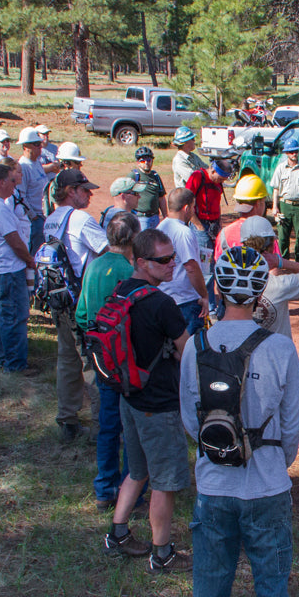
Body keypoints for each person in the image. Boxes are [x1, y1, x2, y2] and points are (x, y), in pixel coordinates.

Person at [179, 245, 299, 597]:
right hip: (266, 487)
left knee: (210, 578)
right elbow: (293, 423)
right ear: (262, 293)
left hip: (214, 485)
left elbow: (187, 419)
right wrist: (279, 462)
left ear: (217, 288)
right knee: (272, 584)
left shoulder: (195, 346)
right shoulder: (279, 347)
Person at [101, 228, 194, 574]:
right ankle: (162, 552)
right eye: (164, 260)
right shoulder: (161, 303)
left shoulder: (122, 291)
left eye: (174, 257)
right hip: (159, 404)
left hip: (130, 397)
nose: (173, 265)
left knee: (137, 471)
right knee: (165, 482)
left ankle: (118, 533)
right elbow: (188, 352)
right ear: (141, 262)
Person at [79, 212, 141, 517]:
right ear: (133, 239)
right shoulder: (128, 270)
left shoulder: (94, 266)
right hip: (124, 356)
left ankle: (104, 489)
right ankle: (133, 493)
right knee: (130, 426)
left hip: (99, 355)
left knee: (107, 425)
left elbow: (80, 313)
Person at [45, 166, 109, 442]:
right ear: (71, 192)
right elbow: (109, 251)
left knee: (67, 361)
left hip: (59, 300)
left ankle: (67, 419)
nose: (89, 195)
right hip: (82, 301)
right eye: (84, 190)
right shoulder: (80, 218)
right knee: (92, 363)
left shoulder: (52, 219)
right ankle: (100, 427)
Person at [0, 160, 38, 375]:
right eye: (12, 180)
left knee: (1, 313)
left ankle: (3, 358)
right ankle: (15, 365)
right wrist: (29, 259)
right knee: (15, 316)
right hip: (8, 269)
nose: (14, 185)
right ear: (2, 182)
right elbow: (13, 239)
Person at [242, 217, 299, 338]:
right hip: (278, 352)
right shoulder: (279, 285)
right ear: (270, 246)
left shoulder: (233, 281)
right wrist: (280, 262)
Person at [156, 187, 209, 334]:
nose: (193, 211)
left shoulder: (160, 227)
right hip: (185, 300)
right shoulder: (183, 232)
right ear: (186, 208)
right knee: (190, 349)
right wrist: (204, 295)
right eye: (193, 207)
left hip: (165, 296)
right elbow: (191, 267)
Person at [272, 139, 299, 264]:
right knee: (283, 237)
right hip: (285, 205)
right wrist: (275, 207)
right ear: (286, 153)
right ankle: (283, 262)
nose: (294, 154)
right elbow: (276, 189)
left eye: (295, 151)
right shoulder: (280, 168)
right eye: (291, 152)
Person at [185, 150, 230, 254]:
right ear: (213, 171)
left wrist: (219, 222)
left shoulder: (217, 182)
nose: (221, 182)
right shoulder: (197, 177)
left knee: (216, 254)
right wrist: (198, 226)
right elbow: (187, 202)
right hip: (200, 223)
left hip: (214, 224)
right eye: (220, 179)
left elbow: (217, 202)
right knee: (204, 257)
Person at [17, 128, 50, 249]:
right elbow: (21, 195)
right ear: (25, 146)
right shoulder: (23, 166)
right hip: (35, 219)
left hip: (43, 215)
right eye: (36, 144)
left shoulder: (37, 163)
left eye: (40, 144)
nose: (39, 147)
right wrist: (33, 216)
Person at [131, 146, 167, 231]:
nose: (146, 163)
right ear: (138, 163)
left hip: (155, 217)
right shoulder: (134, 176)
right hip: (141, 217)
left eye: (149, 160)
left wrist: (165, 215)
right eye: (142, 161)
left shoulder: (155, 176)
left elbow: (161, 198)